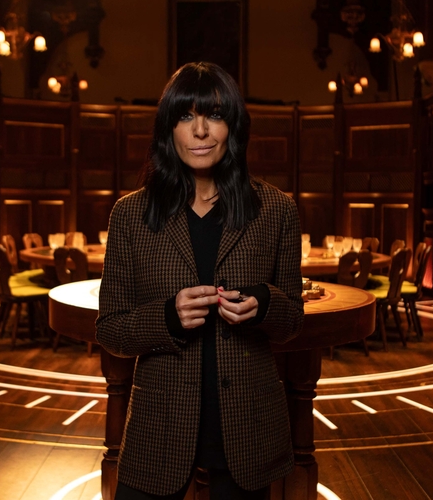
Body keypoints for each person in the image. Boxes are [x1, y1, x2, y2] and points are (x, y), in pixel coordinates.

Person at [96, 62, 304, 500]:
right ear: (169, 128)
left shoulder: (276, 210)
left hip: (248, 427)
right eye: (186, 116)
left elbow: (292, 322)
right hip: (159, 427)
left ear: (233, 127)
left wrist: (264, 304)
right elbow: (110, 329)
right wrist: (167, 319)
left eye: (215, 115)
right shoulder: (130, 215)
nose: (201, 131)